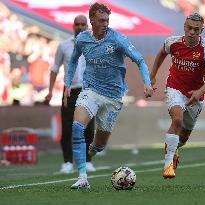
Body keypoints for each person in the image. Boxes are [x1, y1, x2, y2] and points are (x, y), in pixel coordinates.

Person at [65, 3, 154, 189]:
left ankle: (93, 149)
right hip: (90, 90)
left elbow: (139, 60)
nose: (105, 23)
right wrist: (67, 83)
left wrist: (147, 82)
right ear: (92, 20)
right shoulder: (82, 39)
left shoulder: (118, 39)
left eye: (107, 20)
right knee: (76, 127)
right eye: (101, 20)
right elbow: (73, 60)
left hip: (113, 97)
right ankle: (82, 177)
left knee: (100, 144)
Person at [150, 13, 205, 179]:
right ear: (184, 27)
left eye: (196, 29)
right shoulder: (173, 42)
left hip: (195, 95)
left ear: (202, 30)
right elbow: (161, 54)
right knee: (177, 120)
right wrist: (152, 75)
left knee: (184, 137)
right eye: (189, 28)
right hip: (175, 88)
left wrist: (200, 92)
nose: (192, 32)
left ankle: (175, 150)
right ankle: (167, 166)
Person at [45, 15, 96, 174]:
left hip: (89, 91)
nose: (80, 27)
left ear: (87, 27)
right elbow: (54, 68)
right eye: (77, 24)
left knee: (88, 128)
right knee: (67, 128)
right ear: (73, 26)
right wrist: (50, 91)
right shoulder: (64, 46)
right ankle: (67, 162)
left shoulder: (94, 45)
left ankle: (88, 161)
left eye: (83, 24)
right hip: (70, 92)